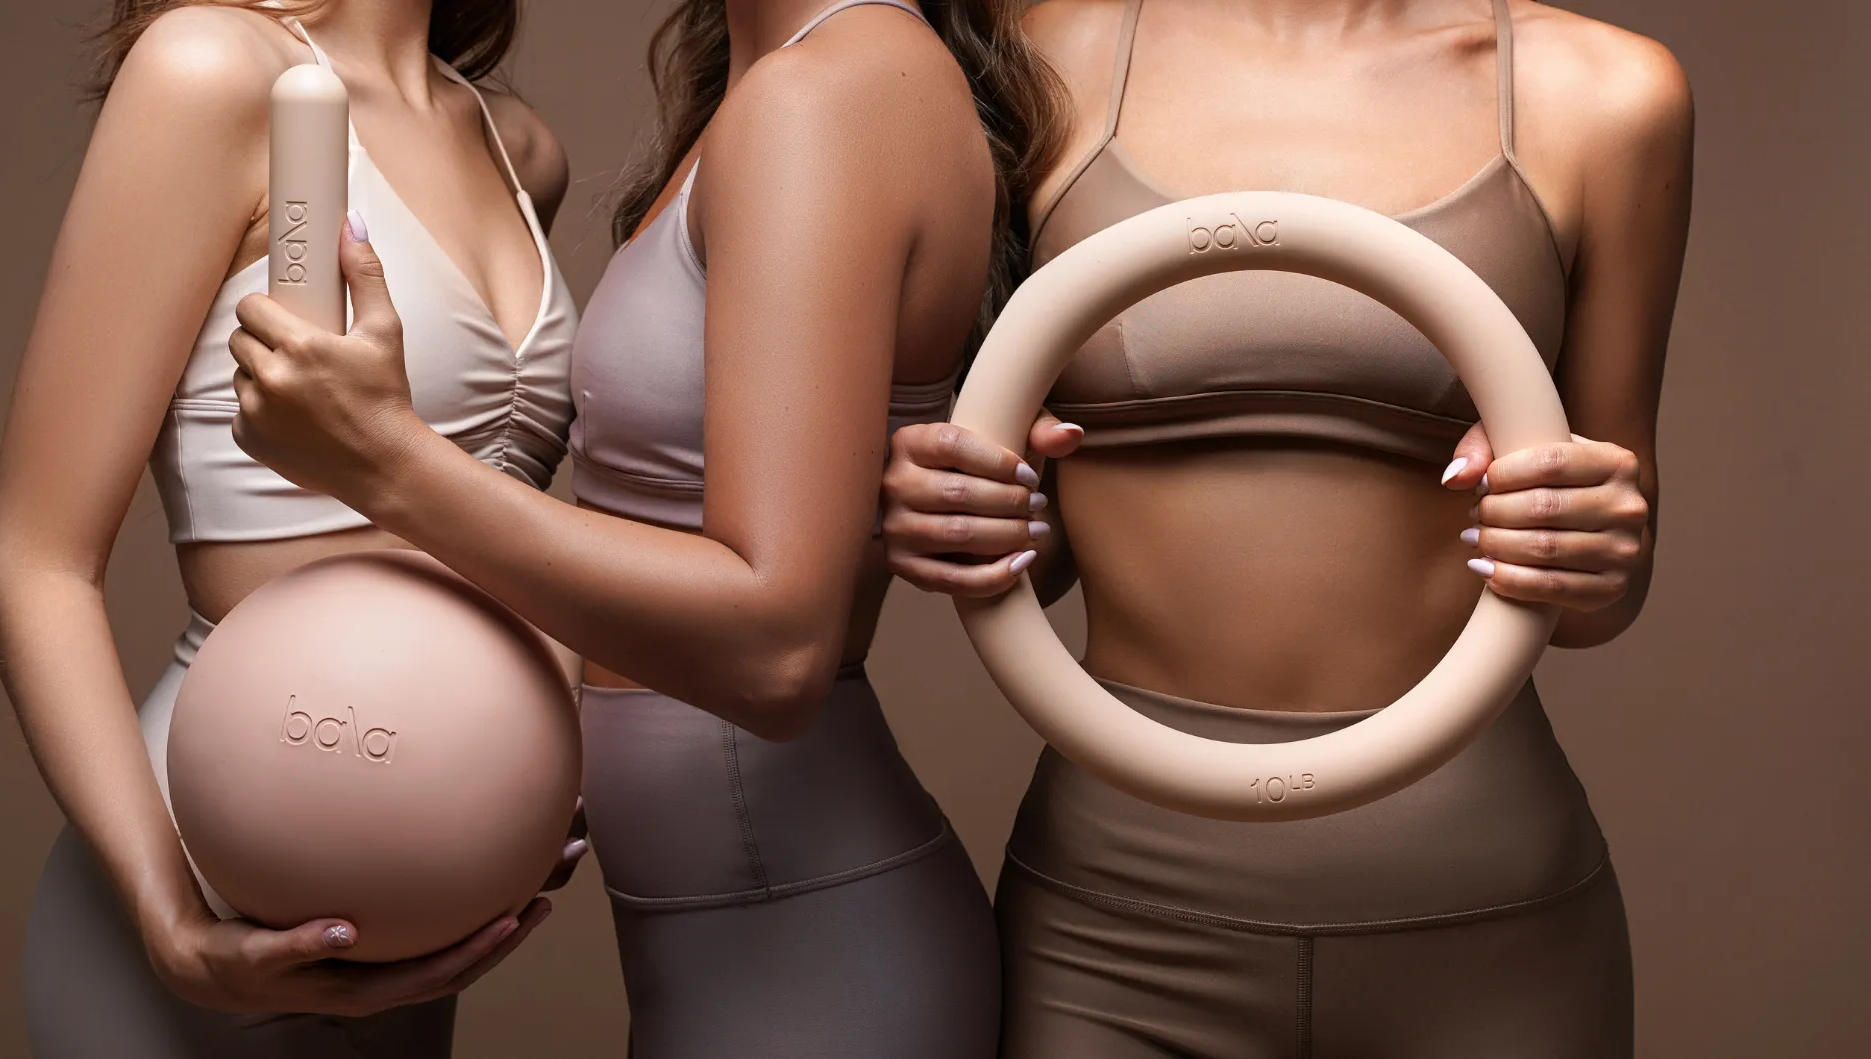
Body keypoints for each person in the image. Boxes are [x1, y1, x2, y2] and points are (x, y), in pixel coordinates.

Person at [223, 1, 1062, 1054]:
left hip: (801, 944)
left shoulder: (829, 91)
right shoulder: (776, 84)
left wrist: (385, 460)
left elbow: (777, 648)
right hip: (734, 932)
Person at [878, 0, 1691, 1055]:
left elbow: (1599, 596)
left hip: (1482, 915)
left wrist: (1592, 539)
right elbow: (1029, 543)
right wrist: (964, 505)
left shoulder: (1605, 93)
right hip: (1114, 926)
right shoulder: (1032, 57)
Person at [0, 2, 585, 1055]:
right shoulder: (212, 68)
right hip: (202, 870)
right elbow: (34, 566)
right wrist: (166, 918)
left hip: (418, 903)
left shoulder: (518, 144)